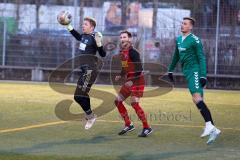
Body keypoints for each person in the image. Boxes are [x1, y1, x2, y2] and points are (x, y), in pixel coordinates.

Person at [168, 17, 221, 144]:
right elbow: (176, 55)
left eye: (185, 24)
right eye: (182, 23)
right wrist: (170, 70)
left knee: (197, 97)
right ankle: (213, 129)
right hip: (188, 72)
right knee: (197, 99)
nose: (182, 25)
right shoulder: (179, 39)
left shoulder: (195, 40)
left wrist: (203, 75)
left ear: (191, 27)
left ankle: (209, 125)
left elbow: (201, 57)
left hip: (195, 71)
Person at [61, 16, 106, 129]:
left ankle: (90, 117)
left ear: (92, 27)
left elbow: (103, 54)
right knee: (78, 96)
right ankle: (90, 116)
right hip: (85, 71)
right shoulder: (84, 36)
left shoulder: (95, 36)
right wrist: (67, 25)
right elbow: (77, 35)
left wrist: (99, 43)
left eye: (85, 24)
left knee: (80, 95)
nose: (83, 26)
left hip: (90, 71)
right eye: (83, 24)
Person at [114, 30, 152, 137]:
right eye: (121, 37)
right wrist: (120, 75)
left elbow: (139, 69)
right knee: (117, 101)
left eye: (124, 37)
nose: (122, 39)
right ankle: (128, 124)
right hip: (129, 81)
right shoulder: (123, 53)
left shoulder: (133, 52)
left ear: (129, 39)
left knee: (134, 103)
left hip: (137, 81)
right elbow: (125, 67)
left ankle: (146, 127)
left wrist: (131, 80)